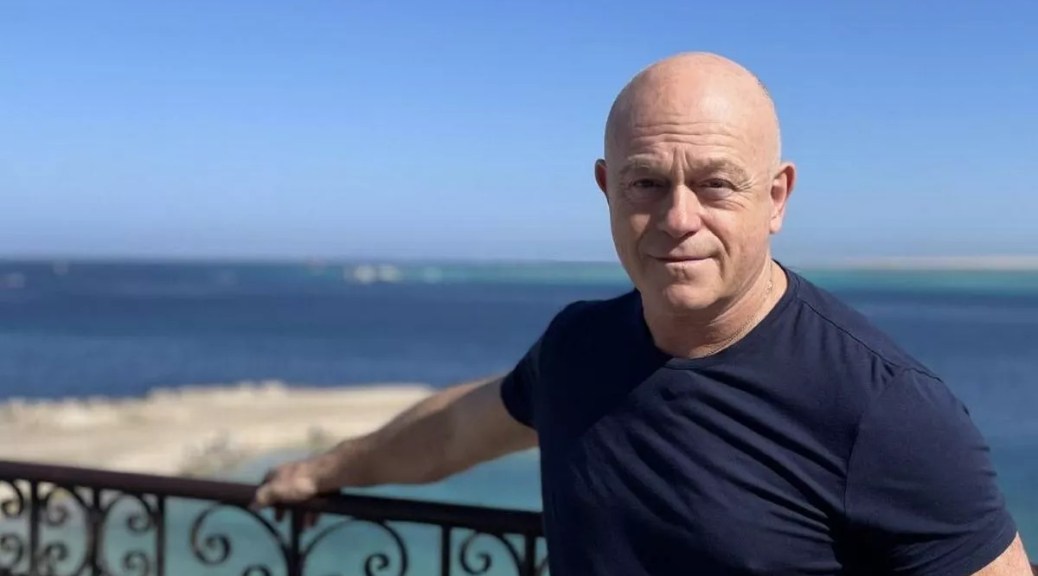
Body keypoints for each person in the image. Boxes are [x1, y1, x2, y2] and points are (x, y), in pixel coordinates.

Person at [251, 52, 1033, 575]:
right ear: (606, 188)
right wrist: (323, 471)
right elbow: (455, 431)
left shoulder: (884, 408)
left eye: (716, 184)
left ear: (776, 197)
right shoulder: (578, 346)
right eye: (647, 184)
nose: (678, 219)